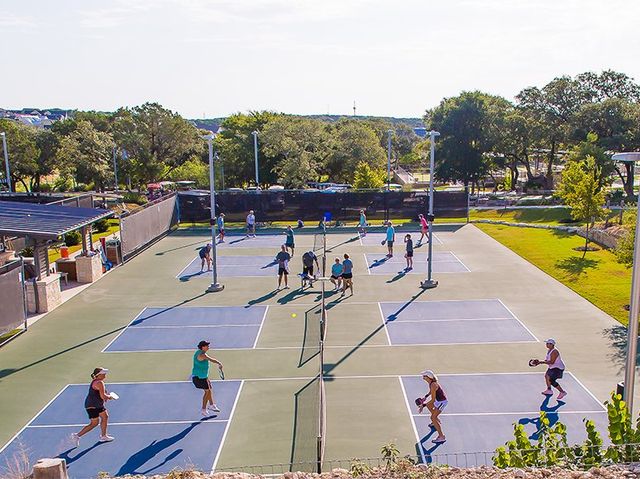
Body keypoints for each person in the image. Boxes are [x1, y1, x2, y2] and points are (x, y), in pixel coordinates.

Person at [70, 367, 116, 447]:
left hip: (97, 405)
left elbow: (100, 394)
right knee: (94, 423)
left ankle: (104, 436)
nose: (105, 374)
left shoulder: (96, 381)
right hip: (92, 406)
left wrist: (105, 396)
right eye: (103, 373)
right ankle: (76, 436)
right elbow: (103, 396)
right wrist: (110, 397)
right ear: (98, 375)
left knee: (105, 417)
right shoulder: (100, 383)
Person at [191, 340, 224, 416]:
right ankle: (203, 409)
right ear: (203, 347)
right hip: (199, 378)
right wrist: (219, 363)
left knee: (209, 388)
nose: (208, 347)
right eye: (207, 346)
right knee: (207, 392)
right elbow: (212, 360)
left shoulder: (199, 352)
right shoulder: (202, 355)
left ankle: (212, 405)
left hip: (203, 376)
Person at [417, 369, 447, 444]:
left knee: (432, 417)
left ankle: (441, 436)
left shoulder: (433, 385)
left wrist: (423, 405)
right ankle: (435, 421)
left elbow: (433, 400)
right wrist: (426, 397)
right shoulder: (431, 383)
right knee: (429, 407)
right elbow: (431, 392)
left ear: (428, 377)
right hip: (438, 400)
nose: (423, 377)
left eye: (424, 376)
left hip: (441, 402)